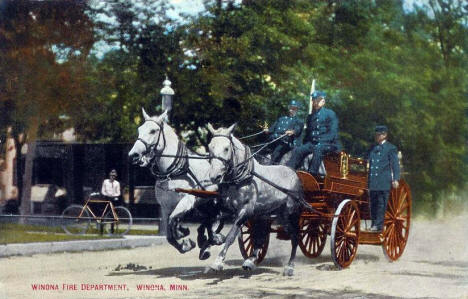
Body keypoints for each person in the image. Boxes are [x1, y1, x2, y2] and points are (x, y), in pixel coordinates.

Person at [286, 91, 341, 174]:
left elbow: (333, 133)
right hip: (313, 144)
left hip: (329, 144)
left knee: (318, 149)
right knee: (298, 150)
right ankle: (289, 171)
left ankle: (312, 174)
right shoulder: (310, 117)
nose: (316, 103)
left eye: (318, 100)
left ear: (323, 101)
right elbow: (308, 134)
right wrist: (304, 145)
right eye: (314, 100)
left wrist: (320, 143)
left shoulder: (330, 114)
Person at [368, 125, 400, 232]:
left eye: (379, 134)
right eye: (376, 135)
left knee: (381, 204)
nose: (377, 137)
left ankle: (378, 225)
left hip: (383, 181)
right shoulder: (373, 148)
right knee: (373, 204)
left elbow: (395, 164)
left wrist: (395, 179)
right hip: (373, 182)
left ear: (384, 135)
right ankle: (373, 224)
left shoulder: (391, 148)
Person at [263, 100, 304, 164]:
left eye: (294, 108)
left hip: (285, 142)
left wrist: (292, 132)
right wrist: (267, 130)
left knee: (276, 153)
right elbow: (272, 129)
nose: (292, 109)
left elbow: (298, 130)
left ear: (297, 109)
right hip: (273, 139)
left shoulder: (298, 121)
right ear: (288, 107)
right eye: (291, 107)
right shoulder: (281, 118)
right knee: (260, 149)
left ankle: (271, 167)